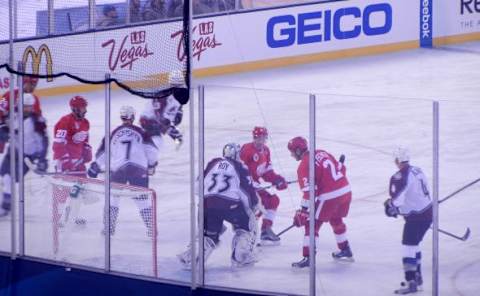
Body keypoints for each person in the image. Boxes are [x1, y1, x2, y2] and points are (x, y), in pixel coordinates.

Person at [177, 143, 259, 268]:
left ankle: (192, 258)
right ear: (237, 155)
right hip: (230, 206)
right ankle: (240, 256)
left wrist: (211, 198)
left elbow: (198, 187)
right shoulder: (240, 167)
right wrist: (253, 206)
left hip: (207, 204)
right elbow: (246, 193)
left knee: (208, 234)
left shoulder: (213, 163)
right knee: (247, 226)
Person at [87, 106, 159, 237]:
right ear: (133, 117)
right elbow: (152, 151)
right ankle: (151, 228)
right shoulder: (142, 132)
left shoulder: (113, 133)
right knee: (141, 200)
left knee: (112, 198)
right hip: (138, 169)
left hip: (118, 169)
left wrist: (95, 166)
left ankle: (109, 228)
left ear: (121, 117)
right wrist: (151, 165)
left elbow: (103, 154)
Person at [287, 136, 353, 268]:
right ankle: (345, 249)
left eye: (293, 152)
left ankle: (308, 257)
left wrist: (304, 211)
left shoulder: (303, 166)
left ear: (299, 151)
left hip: (330, 196)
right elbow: (342, 169)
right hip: (346, 191)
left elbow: (309, 192)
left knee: (311, 224)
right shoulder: (322, 152)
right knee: (336, 219)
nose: (291, 155)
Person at [384, 146, 432, 294]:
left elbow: (397, 201)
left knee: (408, 248)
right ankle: (418, 280)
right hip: (428, 213)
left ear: (397, 160)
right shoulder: (418, 170)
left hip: (416, 217)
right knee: (414, 246)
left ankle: (411, 281)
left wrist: (390, 206)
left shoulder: (399, 177)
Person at [0, 94, 48, 217]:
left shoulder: (37, 121)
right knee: (5, 177)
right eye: (25, 106)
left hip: (28, 157)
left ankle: (6, 206)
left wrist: (42, 158)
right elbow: (2, 129)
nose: (27, 109)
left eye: (29, 107)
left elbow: (44, 140)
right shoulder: (12, 115)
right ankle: (6, 204)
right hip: (12, 152)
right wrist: (5, 135)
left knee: (10, 178)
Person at [240, 127, 287, 244]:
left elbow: (266, 171)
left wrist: (277, 180)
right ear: (254, 138)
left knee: (273, 200)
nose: (261, 141)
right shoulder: (246, 150)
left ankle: (266, 230)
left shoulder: (266, 150)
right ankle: (248, 231)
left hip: (255, 186)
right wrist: (253, 185)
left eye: (263, 138)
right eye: (258, 138)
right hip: (244, 187)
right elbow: (240, 171)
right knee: (261, 204)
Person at [52, 96, 92, 226]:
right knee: (63, 191)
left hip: (78, 162)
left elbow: (85, 140)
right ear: (75, 109)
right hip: (65, 162)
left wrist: (87, 150)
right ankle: (57, 217)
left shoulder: (86, 123)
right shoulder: (65, 122)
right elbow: (58, 144)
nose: (85, 110)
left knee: (79, 189)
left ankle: (72, 216)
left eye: (85, 107)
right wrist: (65, 160)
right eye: (83, 107)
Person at [139, 71, 184, 150]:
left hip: (152, 120)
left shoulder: (176, 97)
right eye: (175, 85)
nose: (178, 87)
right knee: (157, 143)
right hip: (147, 120)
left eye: (179, 84)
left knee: (156, 142)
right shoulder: (163, 96)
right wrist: (172, 133)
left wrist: (170, 127)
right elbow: (159, 116)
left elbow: (171, 118)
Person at [0, 76, 42, 153]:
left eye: (34, 85)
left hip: (24, 133)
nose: (32, 87)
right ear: (23, 83)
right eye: (30, 84)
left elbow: (38, 118)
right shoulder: (10, 95)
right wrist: (2, 125)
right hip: (6, 128)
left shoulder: (35, 99)